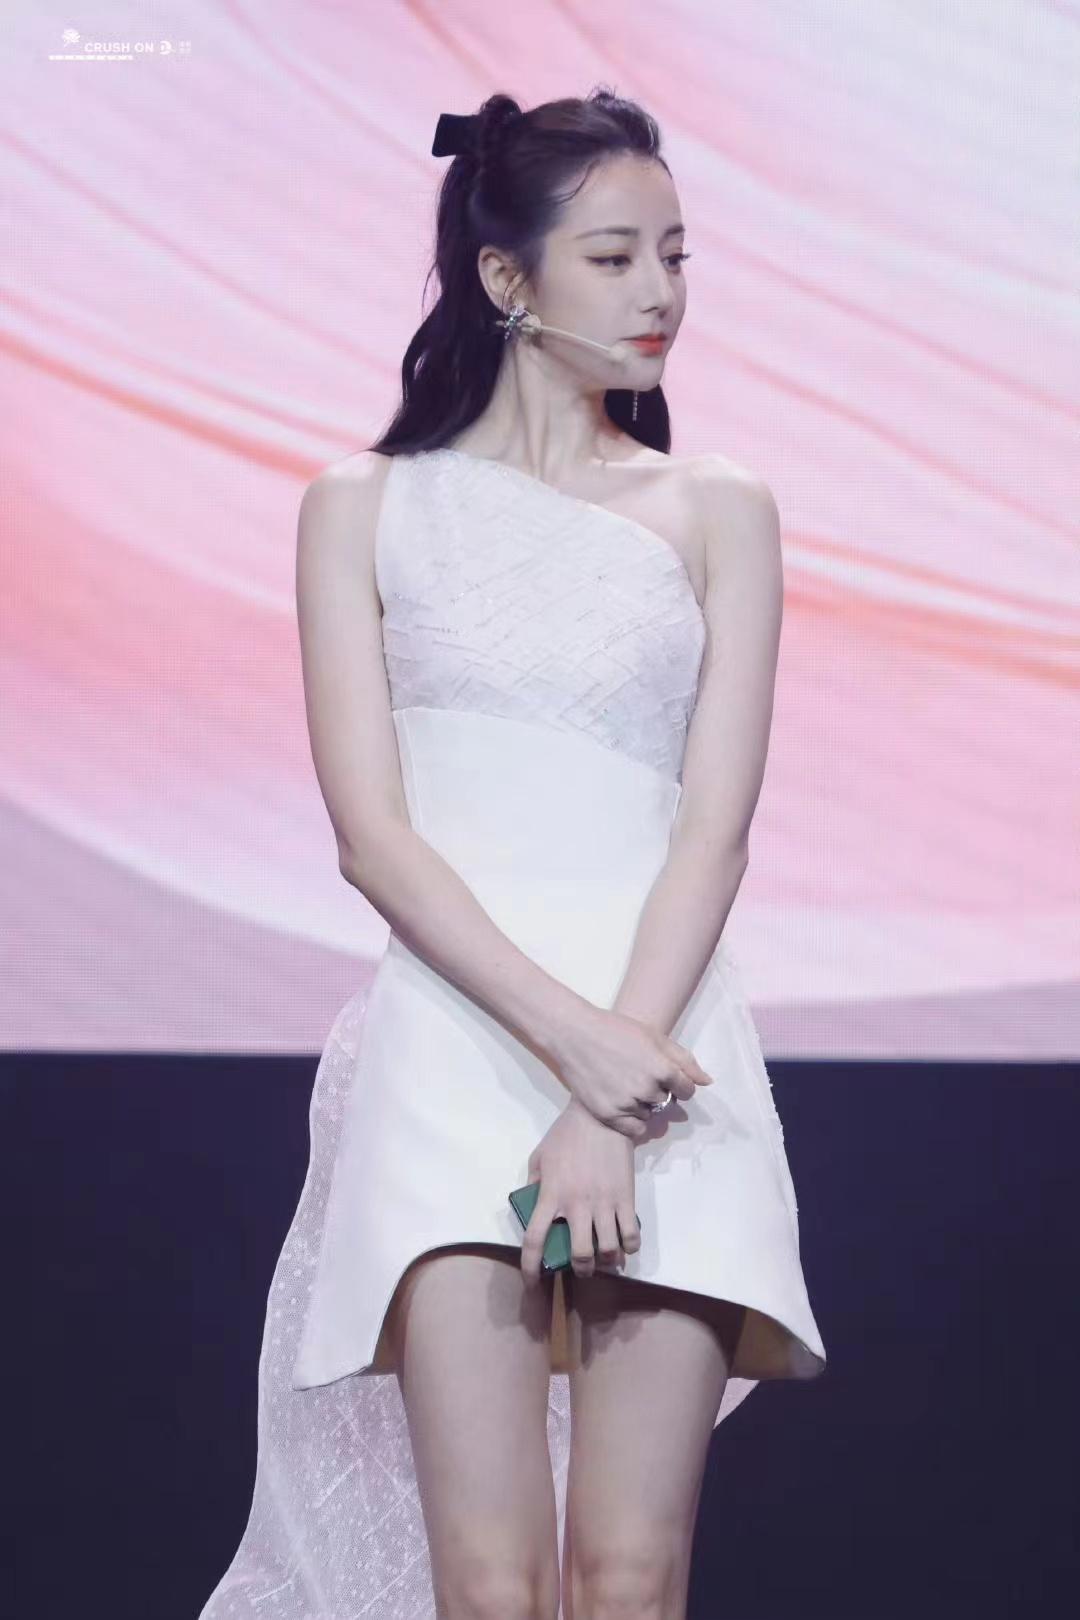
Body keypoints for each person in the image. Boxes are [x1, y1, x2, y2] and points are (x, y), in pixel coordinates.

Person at [200, 88, 826, 1620]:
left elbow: (714, 830)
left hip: (665, 1055)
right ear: (505, 276)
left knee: (630, 1575)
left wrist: (615, 1088)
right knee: (489, 1586)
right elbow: (373, 840)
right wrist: (574, 1053)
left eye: (675, 253)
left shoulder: (718, 507)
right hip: (456, 1047)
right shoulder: (362, 507)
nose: (660, 291)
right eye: (614, 256)